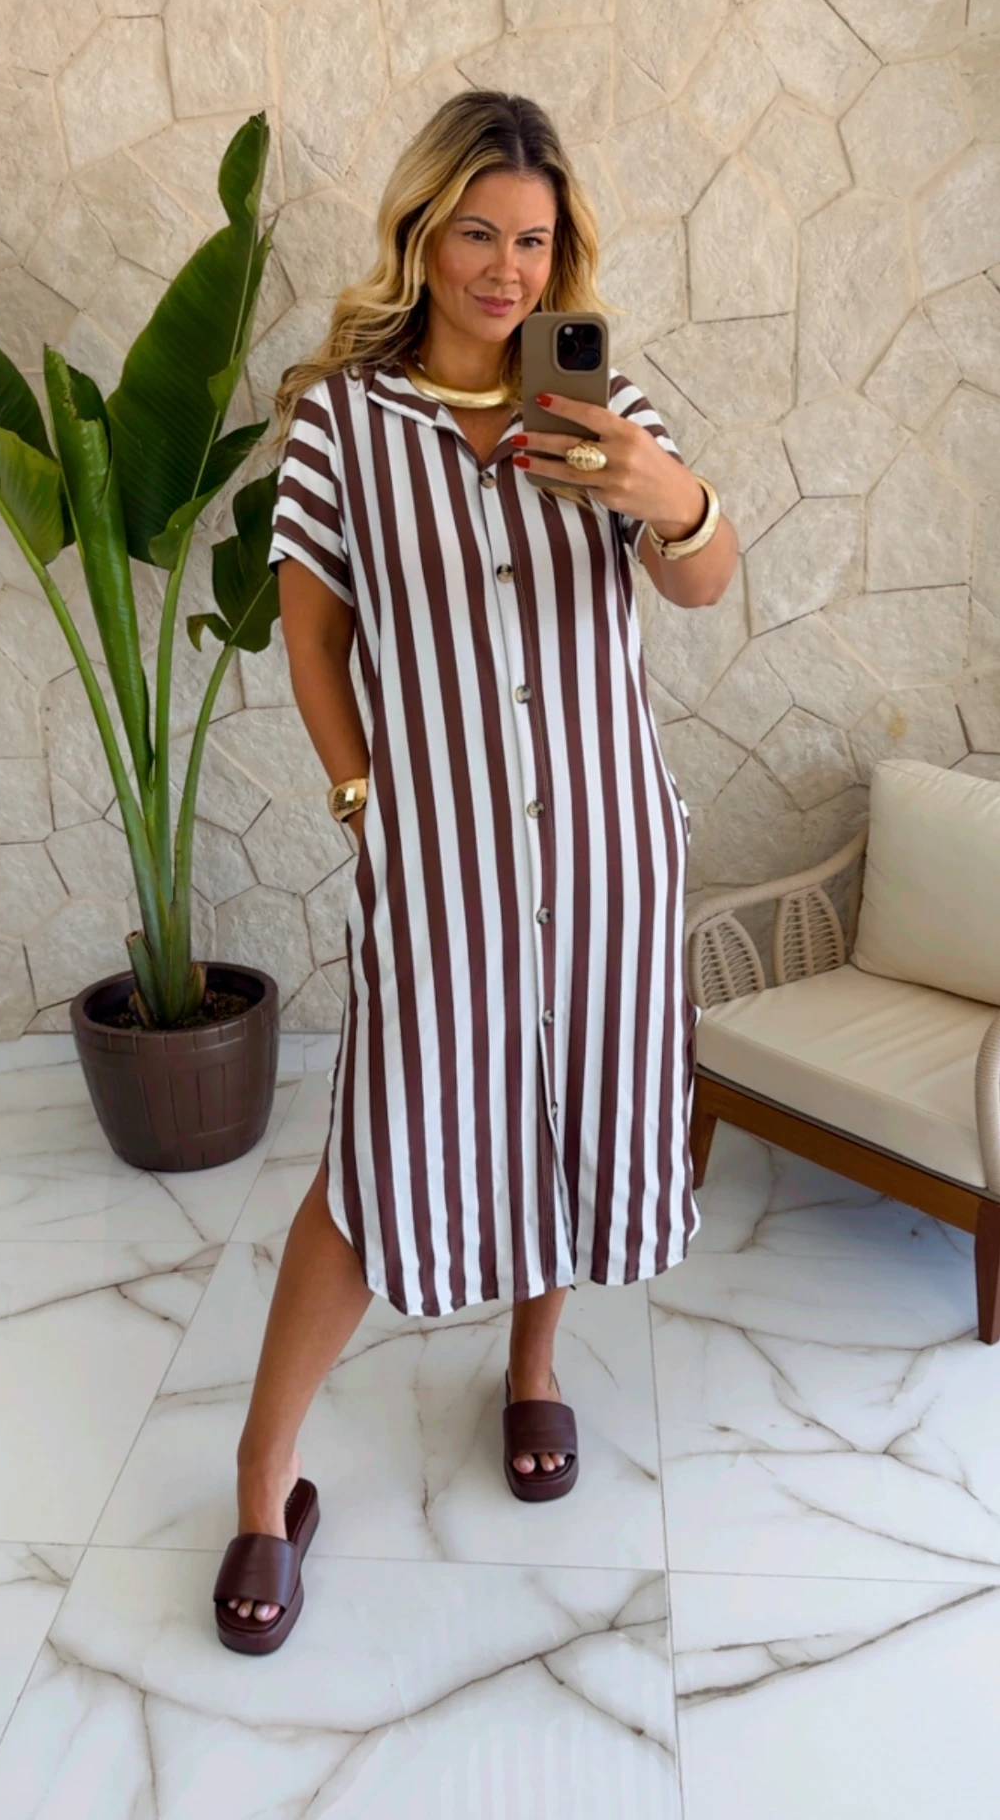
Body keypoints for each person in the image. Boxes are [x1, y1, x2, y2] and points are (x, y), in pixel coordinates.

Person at [213, 90, 739, 1654]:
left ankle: (533, 1367)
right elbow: (313, 639)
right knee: (376, 1157)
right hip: (437, 864)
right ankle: (263, 1485)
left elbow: (705, 582)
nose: (509, 268)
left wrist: (667, 497)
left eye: (535, 240)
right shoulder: (343, 423)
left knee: (571, 1104)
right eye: (478, 234)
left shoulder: (599, 404)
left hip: (607, 850)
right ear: (422, 236)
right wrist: (365, 803)